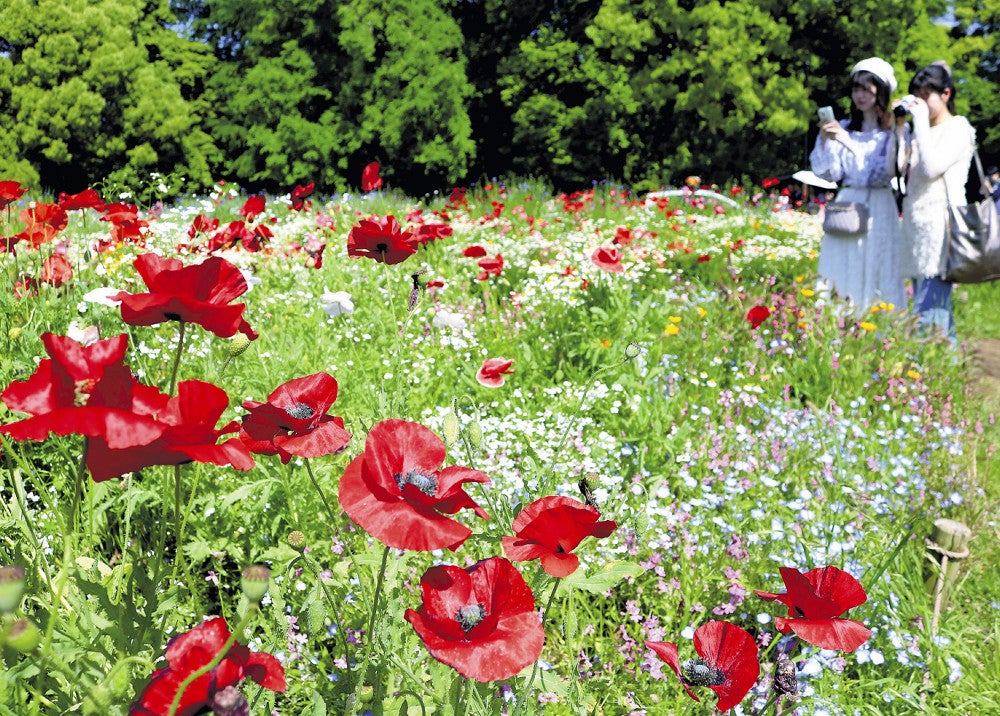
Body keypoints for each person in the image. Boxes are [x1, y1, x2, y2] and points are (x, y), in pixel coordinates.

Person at [810, 57, 907, 312]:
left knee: (877, 260)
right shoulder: (845, 127)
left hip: (879, 204)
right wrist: (826, 140)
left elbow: (882, 173)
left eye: (867, 88)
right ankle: (840, 320)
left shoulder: (892, 131)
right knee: (842, 261)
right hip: (848, 203)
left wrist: (848, 143)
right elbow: (829, 173)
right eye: (856, 88)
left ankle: (878, 321)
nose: (860, 95)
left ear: (881, 91)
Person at [895, 62, 974, 342]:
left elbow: (931, 169)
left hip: (942, 228)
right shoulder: (920, 132)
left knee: (931, 313)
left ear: (946, 94)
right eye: (918, 95)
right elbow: (897, 170)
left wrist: (919, 127)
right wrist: (900, 129)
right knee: (928, 309)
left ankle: (930, 375)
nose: (923, 102)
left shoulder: (958, 128)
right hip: (917, 228)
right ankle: (942, 377)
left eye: (928, 95)